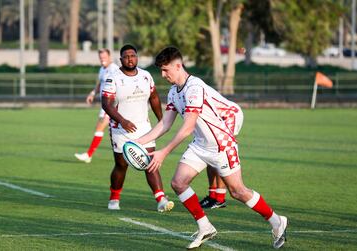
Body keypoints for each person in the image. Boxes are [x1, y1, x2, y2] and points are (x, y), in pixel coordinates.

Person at [136, 47, 288, 249]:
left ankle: (277, 221)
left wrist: (164, 152)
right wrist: (140, 141)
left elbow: (188, 126)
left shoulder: (194, 88)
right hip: (201, 145)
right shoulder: (174, 92)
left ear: (178, 66)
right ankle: (205, 226)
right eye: (161, 71)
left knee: (238, 191)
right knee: (178, 183)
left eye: (166, 70)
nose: (163, 75)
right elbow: (165, 124)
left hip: (221, 145)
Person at [101, 44, 174, 212]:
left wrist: (162, 120)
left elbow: (154, 98)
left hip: (144, 128)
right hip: (120, 130)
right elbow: (106, 104)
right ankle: (114, 197)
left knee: (150, 162)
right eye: (126, 56)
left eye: (133, 56)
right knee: (121, 166)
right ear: (121, 59)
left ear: (137, 57)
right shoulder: (113, 78)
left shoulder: (146, 76)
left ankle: (161, 199)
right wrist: (123, 121)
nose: (130, 59)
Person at [75, 48, 119, 163]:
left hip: (110, 104)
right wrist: (93, 93)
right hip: (105, 105)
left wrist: (112, 106)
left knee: (101, 128)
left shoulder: (114, 69)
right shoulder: (102, 69)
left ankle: (89, 155)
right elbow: (100, 84)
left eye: (104, 57)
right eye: (101, 58)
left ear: (109, 57)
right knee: (112, 130)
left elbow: (118, 86)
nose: (102, 59)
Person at [200, 101, 243, 209]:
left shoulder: (193, 89)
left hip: (229, 115)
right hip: (212, 119)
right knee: (209, 155)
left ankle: (219, 199)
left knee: (220, 155)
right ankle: (212, 195)